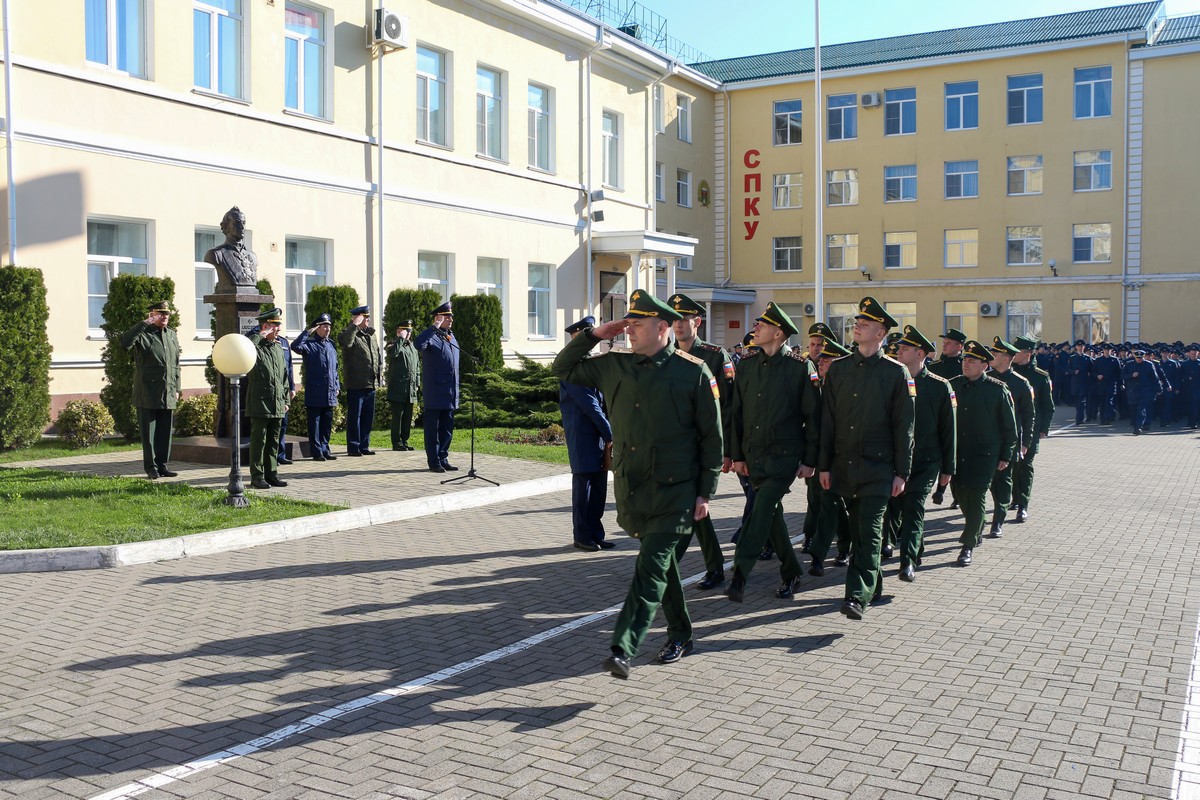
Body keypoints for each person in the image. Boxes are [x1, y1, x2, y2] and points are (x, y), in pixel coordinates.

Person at [552, 289, 721, 679]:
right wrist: (596, 334)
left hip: (676, 491)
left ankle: (624, 647)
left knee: (651, 566)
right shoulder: (614, 365)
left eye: (637, 324)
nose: (629, 330)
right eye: (627, 323)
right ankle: (682, 634)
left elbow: (712, 439)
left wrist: (705, 491)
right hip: (633, 489)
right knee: (662, 566)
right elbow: (562, 368)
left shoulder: (694, 372)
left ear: (662, 328)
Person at [818, 297, 915, 620]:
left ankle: (856, 596)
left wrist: (902, 472)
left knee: (870, 533)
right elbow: (828, 422)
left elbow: (904, 427)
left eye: (865, 324)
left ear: (881, 333)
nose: (857, 327)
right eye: (857, 322)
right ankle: (875, 585)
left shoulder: (896, 373)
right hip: (844, 467)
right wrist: (824, 465)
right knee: (859, 533)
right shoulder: (840, 369)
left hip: (879, 468)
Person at [725, 302, 820, 602]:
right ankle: (791, 572)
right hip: (754, 455)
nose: (756, 328)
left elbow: (813, 418)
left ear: (778, 333)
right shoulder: (747, 365)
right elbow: (736, 414)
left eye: (762, 325)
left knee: (761, 508)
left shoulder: (799, 367)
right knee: (772, 514)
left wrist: (810, 460)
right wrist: (737, 455)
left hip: (784, 456)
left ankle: (740, 574)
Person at [667, 293, 735, 589]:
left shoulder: (715, 356)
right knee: (696, 508)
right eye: (674, 320)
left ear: (697, 322)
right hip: (676, 447)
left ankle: (663, 568)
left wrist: (727, 450)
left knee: (689, 505)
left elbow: (728, 407)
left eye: (684, 319)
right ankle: (715, 566)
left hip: (703, 445)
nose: (678, 325)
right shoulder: (665, 355)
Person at [890, 325, 955, 582]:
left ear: (920, 354)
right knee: (897, 507)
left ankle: (907, 562)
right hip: (897, 459)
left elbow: (949, 430)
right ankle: (916, 547)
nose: (898, 351)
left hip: (926, 460)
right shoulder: (892, 380)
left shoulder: (940, 386)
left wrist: (948, 469)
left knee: (914, 506)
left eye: (904, 348)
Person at [948, 340, 1017, 566]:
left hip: (984, 454)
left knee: (976, 495)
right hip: (958, 453)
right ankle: (976, 528)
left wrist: (1006, 455)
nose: (966, 364)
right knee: (960, 494)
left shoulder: (997, 389)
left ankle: (967, 545)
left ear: (984, 366)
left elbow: (1009, 427)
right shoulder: (953, 386)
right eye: (965, 360)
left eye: (972, 361)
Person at [559, 315, 614, 552]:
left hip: (598, 437)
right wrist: (610, 433)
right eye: (583, 338)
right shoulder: (570, 370)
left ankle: (596, 534)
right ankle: (582, 536)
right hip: (582, 437)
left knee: (599, 489)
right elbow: (590, 406)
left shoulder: (589, 366)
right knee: (585, 489)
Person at [804, 338, 851, 575]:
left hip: (839, 457)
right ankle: (839, 544)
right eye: (821, 358)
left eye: (827, 359)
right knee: (823, 501)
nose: (821, 362)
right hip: (817, 456)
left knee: (831, 502)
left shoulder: (847, 389)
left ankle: (820, 554)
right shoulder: (816, 386)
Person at [121, 300, 182, 480]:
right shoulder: (143, 334)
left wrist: (177, 388)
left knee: (165, 432)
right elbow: (125, 343)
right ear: (152, 315)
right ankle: (151, 467)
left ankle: (162, 465)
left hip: (168, 391)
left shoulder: (172, 335)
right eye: (160, 313)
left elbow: (176, 365)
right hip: (147, 392)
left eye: (166, 313)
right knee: (149, 434)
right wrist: (144, 323)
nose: (164, 316)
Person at [985, 337, 1034, 539]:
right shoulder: (985, 378)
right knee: (989, 483)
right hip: (986, 440)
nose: (990, 356)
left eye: (994, 354)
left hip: (1009, 441)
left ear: (1005, 359)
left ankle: (998, 520)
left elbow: (1029, 416)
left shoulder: (1021, 383)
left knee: (1004, 481)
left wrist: (1026, 442)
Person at [246, 308, 291, 489]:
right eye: (275, 325)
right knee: (259, 441)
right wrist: (260, 335)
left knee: (273, 441)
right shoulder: (255, 347)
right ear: (266, 326)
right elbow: (246, 348)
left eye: (279, 325)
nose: (279, 329)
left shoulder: (278, 348)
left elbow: (284, 377)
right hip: (260, 402)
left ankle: (272, 474)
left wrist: (286, 400)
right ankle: (257, 476)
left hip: (277, 402)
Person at [1011, 335, 1055, 522]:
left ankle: (1023, 505)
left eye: (1017, 352)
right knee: (1011, 466)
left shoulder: (1040, 377)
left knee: (1025, 466)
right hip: (1009, 428)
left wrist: (1044, 428)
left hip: (1030, 429)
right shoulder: (1007, 372)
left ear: (1027, 354)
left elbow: (1048, 406)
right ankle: (1014, 498)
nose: (1013, 354)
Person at [414, 301, 461, 473]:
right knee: (432, 431)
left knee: (447, 430)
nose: (451, 320)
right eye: (447, 317)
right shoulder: (431, 336)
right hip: (435, 392)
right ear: (438, 318)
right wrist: (434, 327)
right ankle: (434, 462)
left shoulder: (451, 337)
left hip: (450, 392)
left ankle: (443, 458)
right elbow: (418, 344)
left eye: (451, 317)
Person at [290, 313, 340, 461]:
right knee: (315, 424)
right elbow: (295, 346)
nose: (328, 329)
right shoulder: (309, 344)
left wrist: (337, 386)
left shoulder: (331, 344)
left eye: (329, 326)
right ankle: (317, 452)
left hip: (330, 392)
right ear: (317, 328)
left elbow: (335, 369)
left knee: (326, 424)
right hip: (315, 392)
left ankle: (325, 449)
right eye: (324, 326)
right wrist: (308, 332)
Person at [338, 305, 382, 456]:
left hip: (370, 383)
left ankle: (364, 445)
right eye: (365, 317)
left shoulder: (371, 334)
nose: (368, 320)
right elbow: (346, 343)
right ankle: (353, 446)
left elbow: (377, 356)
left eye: (368, 317)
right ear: (356, 318)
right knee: (355, 417)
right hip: (356, 383)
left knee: (367, 417)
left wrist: (378, 376)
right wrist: (354, 326)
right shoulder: (348, 333)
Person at [204, 206, 258, 293]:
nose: (242, 227)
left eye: (244, 223)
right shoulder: (216, 254)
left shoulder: (252, 256)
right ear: (227, 227)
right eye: (237, 223)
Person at [386, 320, 421, 451]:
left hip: (410, 388)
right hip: (398, 388)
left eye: (410, 331)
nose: (408, 334)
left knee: (407, 416)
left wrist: (417, 383)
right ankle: (396, 442)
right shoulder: (393, 344)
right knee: (398, 417)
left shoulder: (412, 347)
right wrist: (400, 339)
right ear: (398, 332)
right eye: (406, 331)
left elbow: (417, 367)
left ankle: (404, 440)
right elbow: (392, 353)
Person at [1123, 350, 1163, 434]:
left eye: (1140, 358)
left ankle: (1138, 427)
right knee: (1133, 410)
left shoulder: (1149, 365)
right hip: (1132, 391)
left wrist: (1159, 388)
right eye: (1137, 357)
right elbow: (1122, 376)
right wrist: (1131, 375)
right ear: (1134, 357)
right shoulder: (1129, 364)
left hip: (1144, 391)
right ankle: (1135, 426)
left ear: (1143, 357)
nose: (1139, 359)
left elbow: (1155, 378)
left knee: (1141, 409)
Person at [1090, 343, 1122, 425]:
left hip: (1111, 384)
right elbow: (1093, 371)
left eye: (1108, 350)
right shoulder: (1098, 360)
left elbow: (1119, 373)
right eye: (1105, 350)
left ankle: (1107, 418)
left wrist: (1120, 383)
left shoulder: (1115, 360)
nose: (1107, 351)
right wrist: (1097, 376)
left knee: (1109, 402)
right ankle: (1102, 418)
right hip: (1101, 384)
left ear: (1111, 351)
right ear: (1103, 351)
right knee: (1102, 402)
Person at [1068, 339, 1093, 424]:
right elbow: (1068, 369)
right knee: (1077, 401)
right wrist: (1073, 371)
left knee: (1081, 401)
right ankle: (1080, 417)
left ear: (1084, 347)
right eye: (1079, 346)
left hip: (1084, 382)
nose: (1080, 347)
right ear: (1076, 347)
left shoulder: (1088, 358)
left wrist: (1089, 374)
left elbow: (1092, 370)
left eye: (1082, 346)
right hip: (1075, 383)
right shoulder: (1072, 358)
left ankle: (1079, 419)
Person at [1182, 343, 1200, 429]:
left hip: (1198, 387)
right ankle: (1192, 422)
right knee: (1191, 406)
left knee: (1196, 406)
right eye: (1192, 354)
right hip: (1188, 388)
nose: (1193, 355)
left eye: (1195, 354)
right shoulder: (1184, 364)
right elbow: (1180, 375)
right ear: (1189, 353)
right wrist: (1187, 378)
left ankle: (1195, 422)